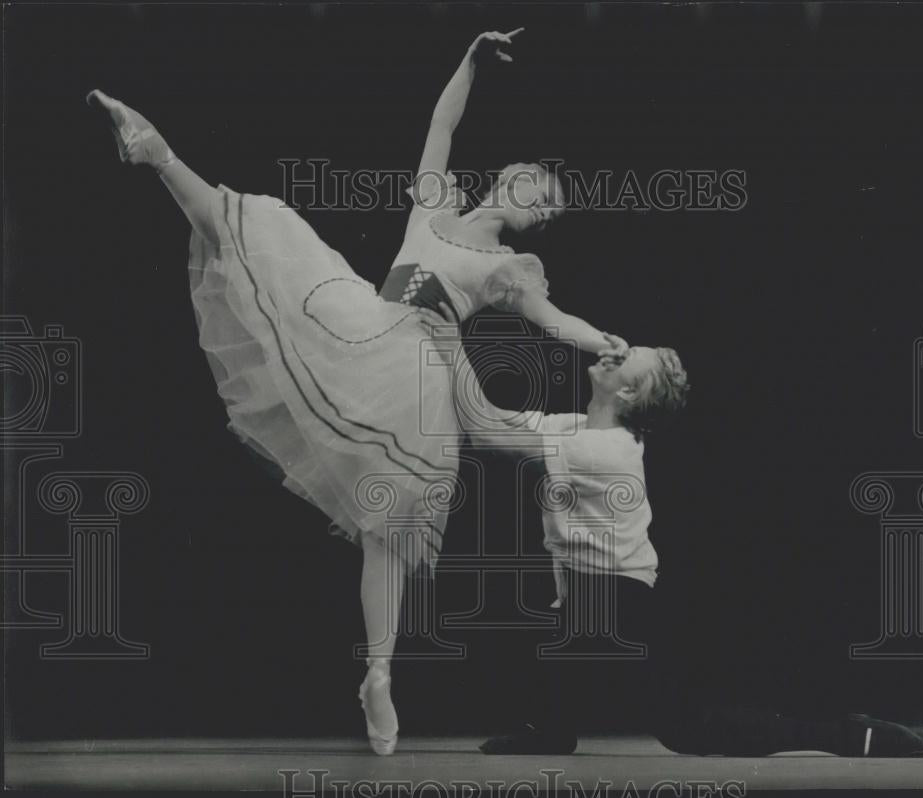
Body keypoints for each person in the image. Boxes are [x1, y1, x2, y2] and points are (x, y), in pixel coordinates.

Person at [86, 29, 627, 756]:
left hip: (419, 376)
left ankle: (378, 673)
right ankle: (157, 154)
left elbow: (557, 320)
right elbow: (443, 123)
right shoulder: (436, 200)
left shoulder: (510, 266)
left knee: (388, 530)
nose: (543, 211)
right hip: (366, 325)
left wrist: (604, 342)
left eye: (552, 211)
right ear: (514, 177)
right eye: (542, 193)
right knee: (264, 230)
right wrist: (469, 58)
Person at [429, 302, 923, 758]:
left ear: (627, 391)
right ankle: (551, 730)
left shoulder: (602, 452)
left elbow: (487, 433)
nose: (615, 349)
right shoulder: (575, 429)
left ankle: (842, 734)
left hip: (618, 600)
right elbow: (488, 419)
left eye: (628, 356)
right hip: (594, 593)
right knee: (568, 647)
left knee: (691, 731)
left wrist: (445, 329)